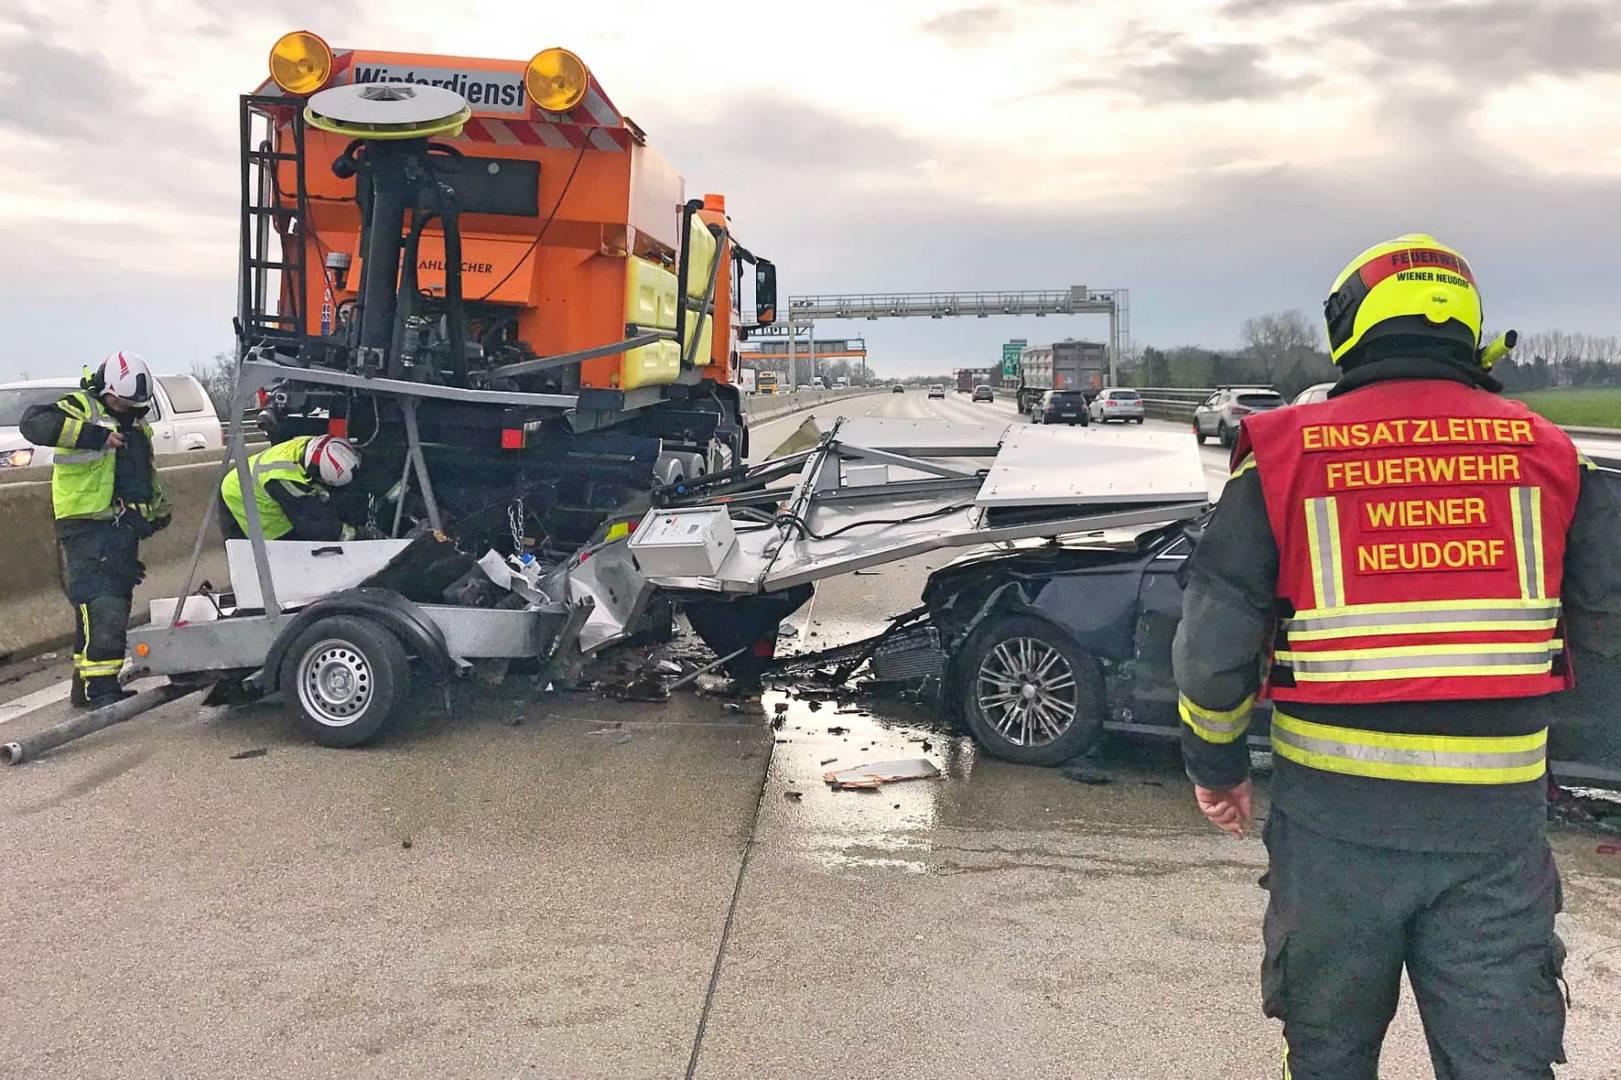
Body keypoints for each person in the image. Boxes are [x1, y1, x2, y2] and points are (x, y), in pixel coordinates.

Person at [1173, 234, 1621, 1079]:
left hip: (1331, 832)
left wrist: (1213, 761)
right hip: (1496, 836)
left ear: (1350, 327)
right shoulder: (1552, 455)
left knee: (1328, 1052)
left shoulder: (1280, 452)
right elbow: (1607, 634)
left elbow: (1212, 642)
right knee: (1502, 1061)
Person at [20, 351, 171, 707]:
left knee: (107, 602)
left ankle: (84, 685)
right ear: (106, 390)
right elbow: (34, 423)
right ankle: (99, 690)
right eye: (123, 402)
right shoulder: (82, 407)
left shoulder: (135, 421)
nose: (130, 410)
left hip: (120, 528)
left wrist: (155, 515)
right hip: (86, 524)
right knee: (102, 603)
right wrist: (95, 436)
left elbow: (141, 475)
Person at [218, 434, 363, 541]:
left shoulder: (314, 447)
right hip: (238, 495)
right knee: (267, 558)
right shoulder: (285, 478)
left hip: (257, 483)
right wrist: (351, 534)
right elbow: (311, 522)